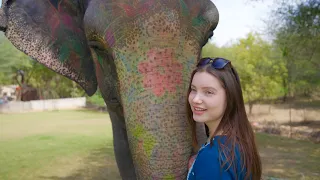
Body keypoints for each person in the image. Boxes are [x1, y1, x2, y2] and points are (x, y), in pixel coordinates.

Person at [186, 57, 262, 180]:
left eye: (208, 92)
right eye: (193, 89)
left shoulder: (213, 157)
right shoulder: (239, 141)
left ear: (230, 97)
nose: (195, 99)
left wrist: (206, 164)